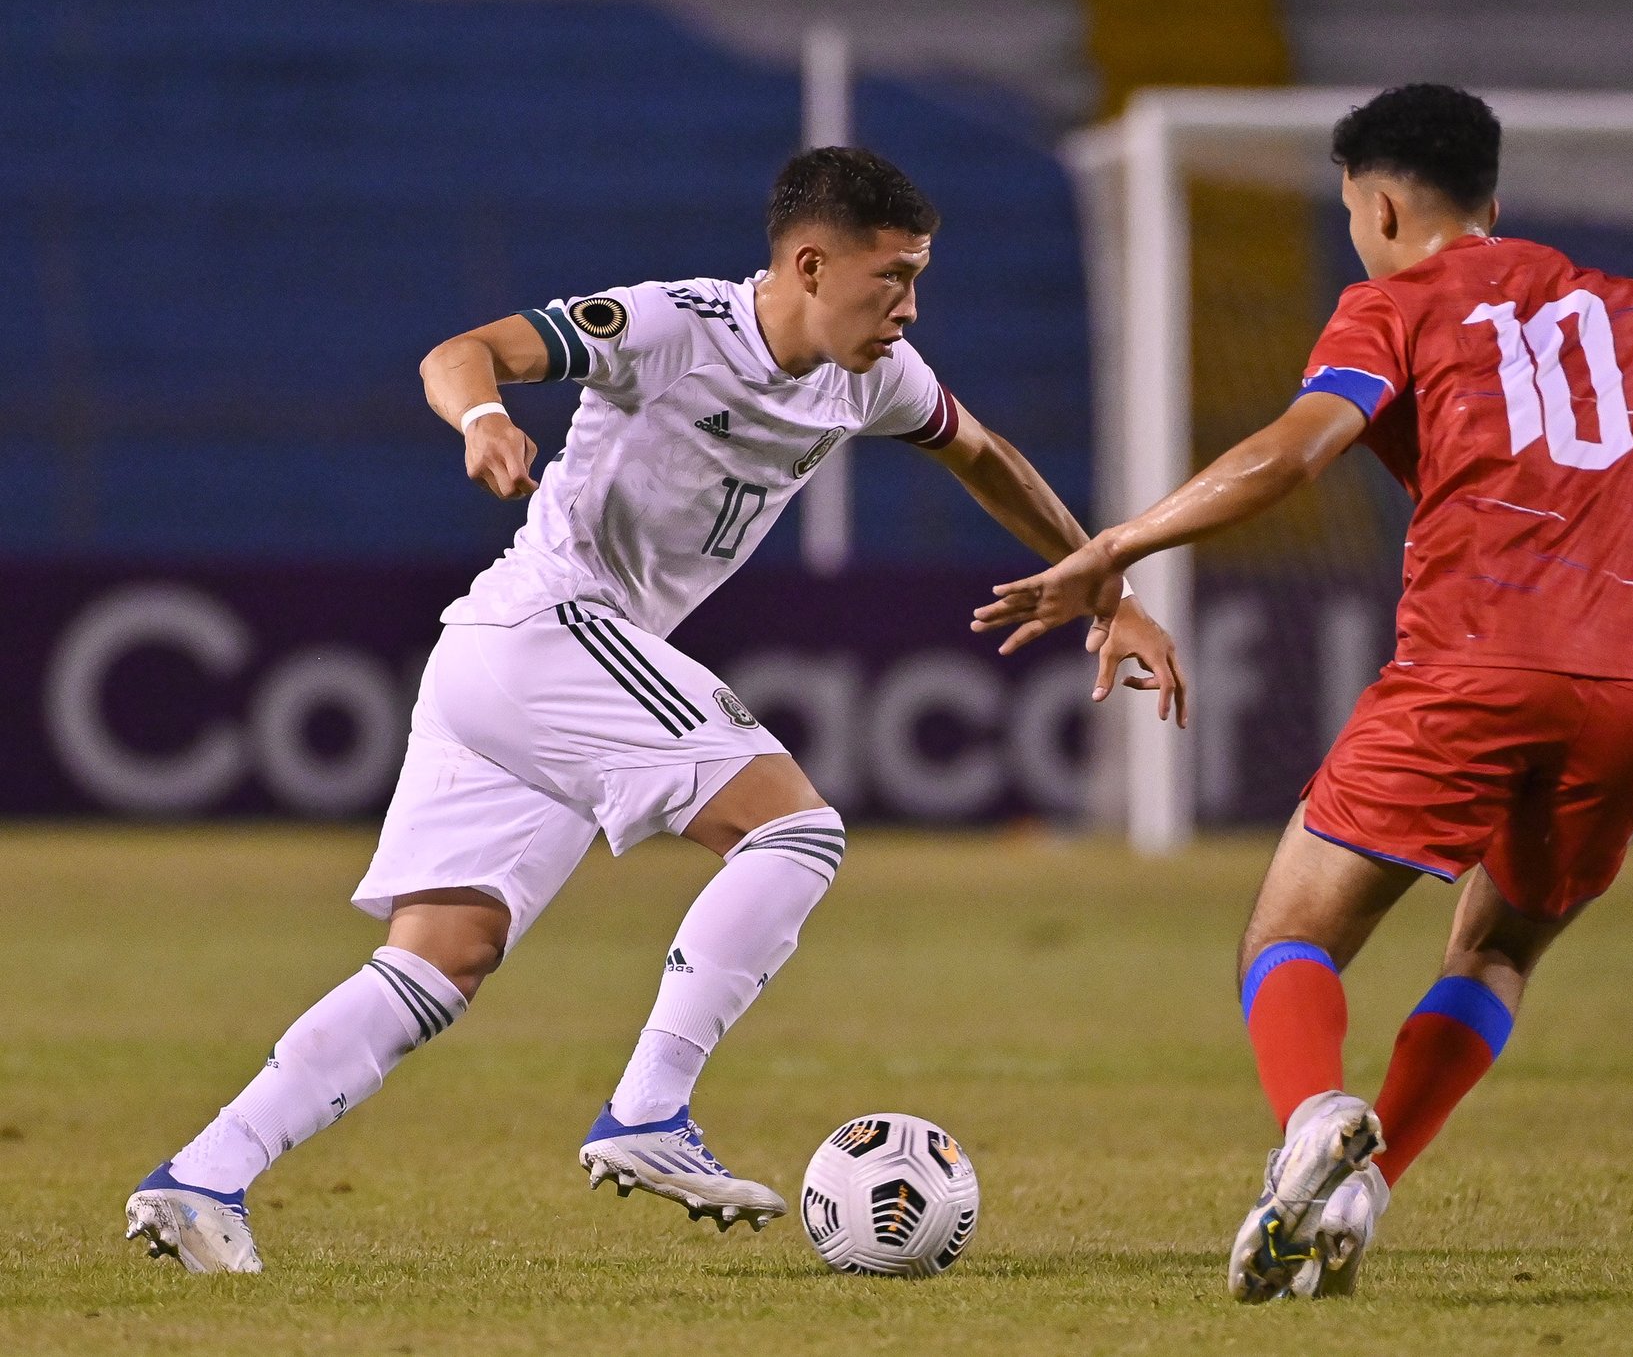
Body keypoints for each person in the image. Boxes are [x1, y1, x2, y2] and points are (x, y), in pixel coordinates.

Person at [125, 146, 1186, 1274]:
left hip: (511, 672)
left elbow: (984, 455)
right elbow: (461, 352)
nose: (910, 308)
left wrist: (1105, 584)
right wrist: (483, 417)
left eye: (919, 279)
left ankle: (202, 1176)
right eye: (893, 279)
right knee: (796, 830)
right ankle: (646, 1112)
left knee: (443, 954)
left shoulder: (873, 373)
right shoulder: (669, 325)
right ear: (813, 264)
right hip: (547, 627)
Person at [971, 84, 1633, 1303]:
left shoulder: (1394, 304)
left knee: (1289, 936)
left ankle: (1316, 1117)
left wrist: (1120, 544)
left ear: (1374, 204)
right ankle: (1366, 1187)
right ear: (1495, 197)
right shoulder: (1632, 308)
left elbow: (1295, 449)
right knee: (1495, 952)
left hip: (1474, 666)